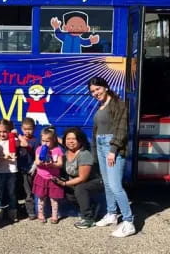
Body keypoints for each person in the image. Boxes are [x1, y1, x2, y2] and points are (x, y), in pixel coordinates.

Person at [87, 76, 136, 237]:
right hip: (101, 146)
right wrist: (95, 152)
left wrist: (113, 149)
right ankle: (112, 214)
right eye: (92, 91)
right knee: (107, 184)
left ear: (105, 87)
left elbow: (122, 129)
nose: (95, 93)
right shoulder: (101, 106)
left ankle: (128, 222)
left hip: (111, 146)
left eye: (98, 89)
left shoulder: (118, 104)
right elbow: (96, 133)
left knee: (115, 186)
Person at [53, 127, 103, 229]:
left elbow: (82, 178)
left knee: (80, 188)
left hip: (95, 181)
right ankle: (92, 207)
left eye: (74, 139)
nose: (70, 141)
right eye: (68, 139)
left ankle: (88, 219)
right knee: (66, 192)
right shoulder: (66, 154)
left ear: (80, 140)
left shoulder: (84, 154)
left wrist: (65, 183)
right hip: (78, 182)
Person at [32, 127, 64, 224]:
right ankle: (41, 214)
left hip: (53, 178)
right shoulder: (39, 149)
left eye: (47, 141)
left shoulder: (57, 150)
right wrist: (41, 162)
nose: (45, 143)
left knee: (54, 198)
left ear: (53, 140)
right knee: (41, 197)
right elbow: (37, 161)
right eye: (43, 141)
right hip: (42, 177)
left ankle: (54, 215)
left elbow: (60, 164)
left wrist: (52, 164)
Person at [0, 119, 19, 223]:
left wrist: (16, 134)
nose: (2, 134)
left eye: (5, 131)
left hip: (12, 171)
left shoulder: (13, 140)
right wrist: (4, 157)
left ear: (9, 131)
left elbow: (20, 144)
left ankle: (12, 211)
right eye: (0, 131)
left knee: (11, 192)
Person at [17, 117, 38, 220]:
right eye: (25, 129)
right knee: (17, 191)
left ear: (34, 129)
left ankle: (31, 212)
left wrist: (34, 166)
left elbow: (29, 147)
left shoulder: (35, 141)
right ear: (21, 128)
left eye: (29, 129)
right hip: (18, 169)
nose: (27, 131)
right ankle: (18, 210)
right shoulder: (18, 140)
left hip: (28, 170)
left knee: (28, 192)